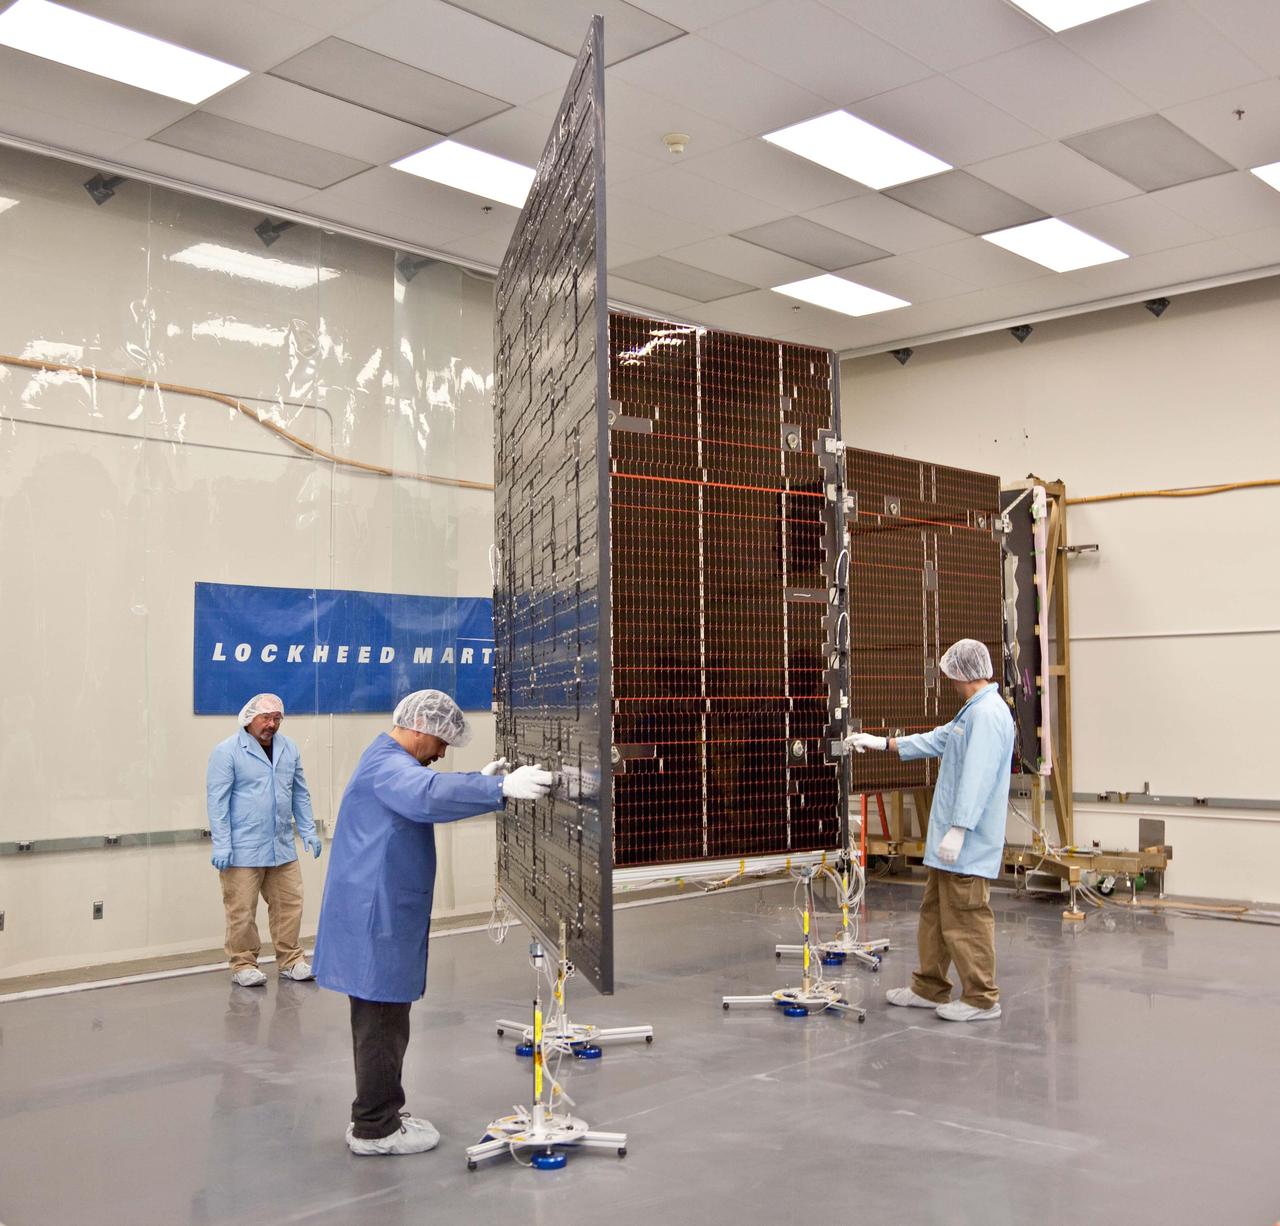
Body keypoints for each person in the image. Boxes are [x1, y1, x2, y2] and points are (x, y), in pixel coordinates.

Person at [313, 689, 552, 1157]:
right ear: (420, 727)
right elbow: (425, 794)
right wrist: (499, 789)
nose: (442, 753)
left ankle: (381, 1114)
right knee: (381, 1024)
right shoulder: (388, 768)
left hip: (377, 914)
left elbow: (426, 787)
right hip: (376, 919)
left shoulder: (387, 760)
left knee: (384, 1022)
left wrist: (479, 782)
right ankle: (374, 1129)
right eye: (442, 742)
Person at [847, 639, 1014, 1022]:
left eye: (950, 674)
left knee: (966, 919)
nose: (948, 681)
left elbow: (977, 778)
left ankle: (981, 999)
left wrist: (960, 829)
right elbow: (937, 738)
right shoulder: (972, 712)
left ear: (961, 673)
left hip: (966, 843)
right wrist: (883, 743)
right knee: (936, 915)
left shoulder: (988, 715)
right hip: (949, 844)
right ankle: (929, 987)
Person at [206, 693, 322, 987]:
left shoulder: (289, 748)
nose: (271, 724)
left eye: (276, 718)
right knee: (242, 910)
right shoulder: (227, 751)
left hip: (281, 845)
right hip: (242, 848)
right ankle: (243, 963)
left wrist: (307, 829)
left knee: (289, 905)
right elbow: (217, 802)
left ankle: (291, 960)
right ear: (249, 719)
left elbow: (299, 792)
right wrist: (222, 843)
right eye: (265, 718)